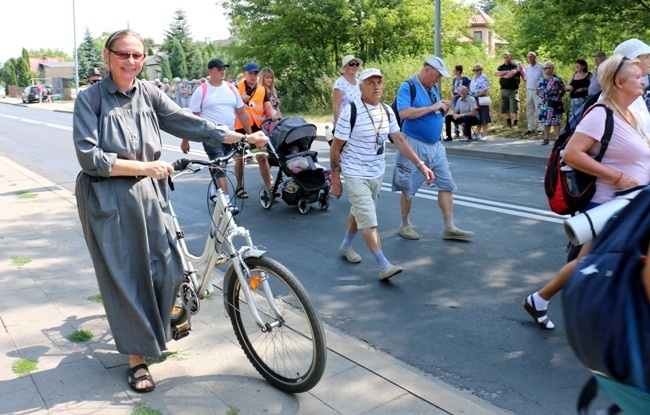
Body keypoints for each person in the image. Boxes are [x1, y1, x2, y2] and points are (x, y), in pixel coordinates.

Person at [72, 29, 268, 393]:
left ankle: (157, 330)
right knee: (127, 276)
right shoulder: (91, 99)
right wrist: (145, 167)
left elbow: (189, 123)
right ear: (108, 55)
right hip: (108, 197)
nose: (131, 61)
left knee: (169, 265)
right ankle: (137, 359)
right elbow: (91, 157)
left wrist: (242, 137)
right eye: (123, 54)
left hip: (150, 191)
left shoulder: (149, 93)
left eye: (137, 55)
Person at [523, 54, 650, 330]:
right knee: (597, 264)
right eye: (637, 76)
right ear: (619, 81)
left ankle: (540, 299)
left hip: (635, 205)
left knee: (590, 263)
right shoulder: (601, 113)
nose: (643, 79)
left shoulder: (630, 112)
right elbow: (572, 154)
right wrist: (617, 176)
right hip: (609, 206)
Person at [330, 68, 434, 280]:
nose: (376, 86)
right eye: (371, 83)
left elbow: (400, 140)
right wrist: (335, 180)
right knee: (369, 219)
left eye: (379, 82)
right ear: (361, 87)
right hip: (354, 171)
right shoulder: (350, 112)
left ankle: (346, 245)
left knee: (359, 211)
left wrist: (421, 165)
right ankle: (383, 264)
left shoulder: (387, 111)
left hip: (376, 172)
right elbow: (335, 148)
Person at [393, 57, 475, 241]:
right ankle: (404, 225)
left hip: (435, 145)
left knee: (446, 183)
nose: (437, 80)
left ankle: (449, 227)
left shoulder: (432, 88)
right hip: (413, 143)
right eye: (436, 76)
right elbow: (404, 113)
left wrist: (442, 109)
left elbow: (434, 110)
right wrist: (433, 107)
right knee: (409, 186)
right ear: (427, 70)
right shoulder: (408, 86)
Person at [180, 58, 253, 203]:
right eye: (219, 69)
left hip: (229, 135)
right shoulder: (201, 91)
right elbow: (192, 119)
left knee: (222, 166)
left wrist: (251, 135)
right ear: (210, 71)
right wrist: (185, 140)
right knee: (219, 165)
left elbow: (242, 113)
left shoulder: (232, 89)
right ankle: (226, 202)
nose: (222, 72)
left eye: (224, 69)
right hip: (210, 135)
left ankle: (216, 191)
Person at [233, 62, 276, 198]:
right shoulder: (235, 88)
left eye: (255, 73)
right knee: (240, 158)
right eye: (250, 73)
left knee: (262, 157)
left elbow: (269, 110)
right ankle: (240, 187)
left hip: (256, 130)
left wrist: (275, 116)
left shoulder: (262, 90)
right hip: (239, 129)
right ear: (244, 73)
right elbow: (228, 108)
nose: (253, 76)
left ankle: (269, 186)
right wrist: (240, 99)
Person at [537, 61, 565, 145]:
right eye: (544, 68)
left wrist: (558, 96)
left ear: (552, 69)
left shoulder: (557, 78)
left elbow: (563, 88)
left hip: (554, 103)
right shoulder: (541, 79)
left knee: (556, 121)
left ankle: (557, 138)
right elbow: (536, 91)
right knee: (545, 122)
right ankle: (546, 138)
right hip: (544, 103)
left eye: (546, 68)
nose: (544, 70)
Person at [332, 55, 362, 129]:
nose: (354, 66)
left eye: (356, 64)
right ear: (345, 67)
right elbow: (336, 107)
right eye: (351, 64)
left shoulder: (359, 82)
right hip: (344, 123)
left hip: (358, 123)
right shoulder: (340, 83)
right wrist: (339, 127)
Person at [494, 52, 523, 128]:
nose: (506, 58)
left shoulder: (514, 65)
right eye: (505, 57)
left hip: (513, 90)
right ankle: (508, 123)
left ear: (511, 57)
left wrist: (502, 75)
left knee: (514, 107)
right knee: (505, 107)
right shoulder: (501, 66)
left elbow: (512, 74)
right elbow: (496, 73)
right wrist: (507, 72)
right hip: (503, 89)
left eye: (508, 57)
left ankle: (515, 123)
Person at [524, 51, 544, 135]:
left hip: (538, 90)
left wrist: (540, 88)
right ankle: (530, 127)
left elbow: (544, 78)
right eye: (528, 57)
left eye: (531, 57)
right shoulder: (527, 67)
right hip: (529, 90)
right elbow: (526, 79)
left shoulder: (541, 67)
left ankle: (540, 128)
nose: (530, 59)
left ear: (535, 57)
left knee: (539, 109)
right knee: (529, 109)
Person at [469, 63, 491, 140]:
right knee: (478, 116)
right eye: (474, 70)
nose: (475, 71)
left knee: (484, 116)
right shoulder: (473, 78)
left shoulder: (484, 78)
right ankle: (477, 133)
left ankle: (484, 134)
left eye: (477, 70)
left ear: (481, 70)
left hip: (481, 98)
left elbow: (484, 90)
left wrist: (476, 95)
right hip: (474, 99)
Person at [259, 67, 282, 136]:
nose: (269, 80)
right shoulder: (260, 91)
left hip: (275, 121)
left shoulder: (273, 91)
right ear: (262, 78)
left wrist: (281, 120)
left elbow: (277, 108)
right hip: (265, 122)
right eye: (267, 78)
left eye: (271, 78)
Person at [450, 65, 471, 138]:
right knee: (455, 114)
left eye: (454, 70)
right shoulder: (454, 79)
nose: (453, 71)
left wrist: (462, 94)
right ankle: (457, 132)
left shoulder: (465, 79)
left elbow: (468, 88)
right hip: (455, 98)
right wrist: (452, 95)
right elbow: (452, 89)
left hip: (462, 98)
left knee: (463, 113)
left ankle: (465, 131)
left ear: (458, 71)